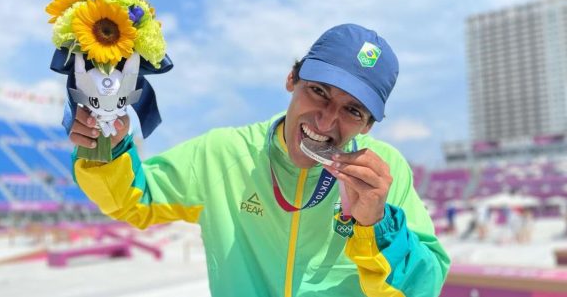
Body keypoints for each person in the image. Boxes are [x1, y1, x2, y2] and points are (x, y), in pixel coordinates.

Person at [69, 24, 450, 296]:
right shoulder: (222, 154)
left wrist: (377, 224)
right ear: (291, 80)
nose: (326, 120)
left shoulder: (385, 172)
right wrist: (108, 147)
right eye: (318, 91)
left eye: (353, 110)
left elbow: (424, 287)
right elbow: (137, 200)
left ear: (367, 125)